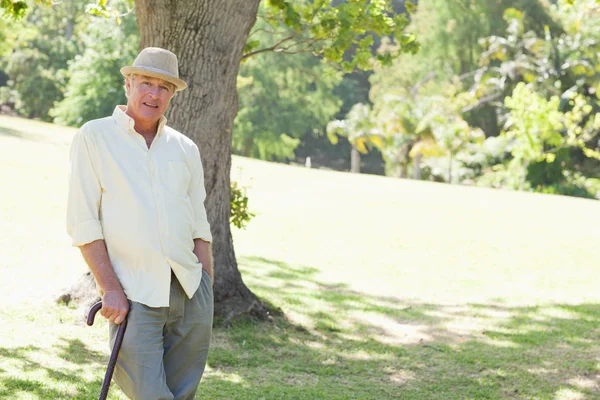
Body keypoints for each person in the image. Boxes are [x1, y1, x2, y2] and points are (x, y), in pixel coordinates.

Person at [66, 47, 214, 400]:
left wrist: (206, 287)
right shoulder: (94, 137)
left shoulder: (185, 148)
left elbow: (199, 224)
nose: (154, 94)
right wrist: (109, 288)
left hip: (190, 290)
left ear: (172, 94)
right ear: (128, 84)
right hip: (133, 292)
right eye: (146, 82)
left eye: (164, 87)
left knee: (183, 394)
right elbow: (82, 221)